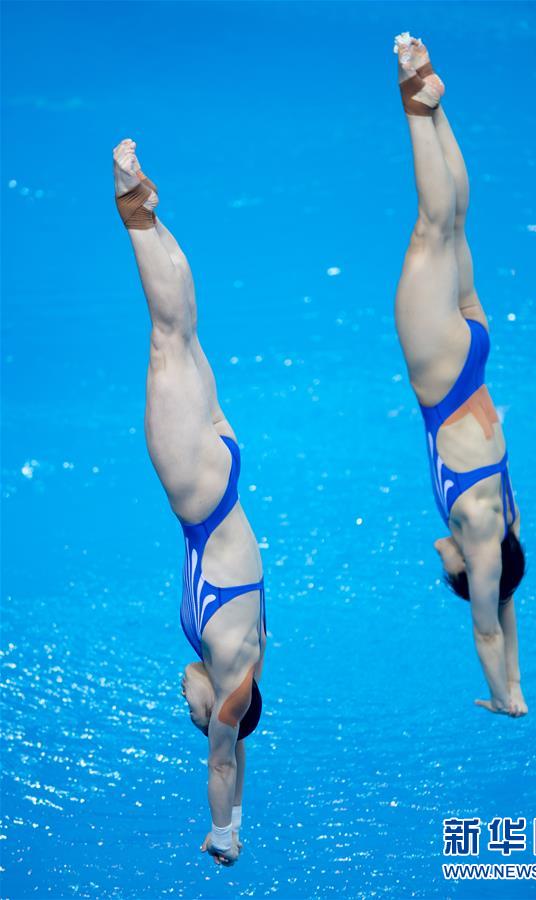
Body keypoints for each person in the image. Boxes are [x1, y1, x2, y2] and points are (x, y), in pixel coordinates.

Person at [113, 138, 267, 864]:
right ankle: (133, 212)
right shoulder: (231, 687)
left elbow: (240, 753)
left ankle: (147, 209)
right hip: (201, 494)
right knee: (168, 339)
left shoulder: (251, 660)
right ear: (220, 713)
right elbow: (226, 757)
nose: (189, 709)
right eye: (197, 717)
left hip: (223, 475)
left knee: (183, 335)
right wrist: (225, 832)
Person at [392, 35, 527, 717]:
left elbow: (506, 602)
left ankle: (435, 99)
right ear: (466, 567)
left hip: (477, 351)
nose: (437, 555)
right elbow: (486, 621)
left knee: (457, 223)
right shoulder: (476, 528)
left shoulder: (507, 514)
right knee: (432, 228)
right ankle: (416, 104)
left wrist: (521, 685)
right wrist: (501, 697)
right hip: (444, 377)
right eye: (450, 566)